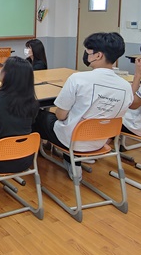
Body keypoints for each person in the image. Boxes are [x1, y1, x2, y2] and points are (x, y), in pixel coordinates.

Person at [33, 32, 133, 181]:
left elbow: (60, 115)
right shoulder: (126, 86)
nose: (86, 55)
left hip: (73, 140)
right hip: (101, 140)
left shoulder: (78, 79)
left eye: (88, 52)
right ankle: (68, 157)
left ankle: (29, 160)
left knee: (38, 115)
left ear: (98, 55)